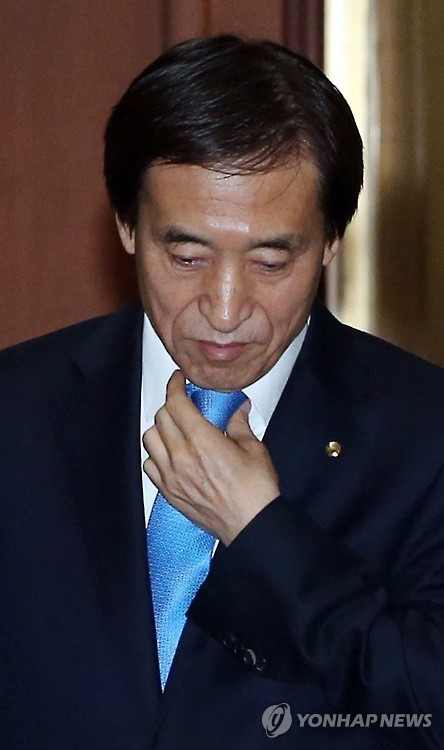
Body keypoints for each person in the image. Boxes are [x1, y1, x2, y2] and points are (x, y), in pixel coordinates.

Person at [1, 34, 443, 750]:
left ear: (331, 242)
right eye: (186, 256)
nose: (226, 308)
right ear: (126, 226)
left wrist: (263, 534)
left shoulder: (424, 436)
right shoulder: (17, 413)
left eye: (271, 262)